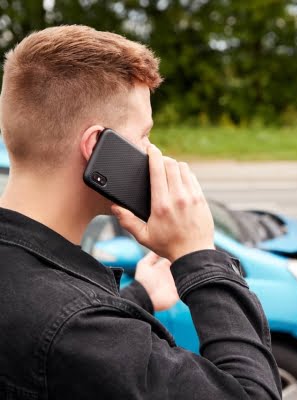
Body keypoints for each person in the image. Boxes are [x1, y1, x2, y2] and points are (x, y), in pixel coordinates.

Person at [0, 25, 282, 399]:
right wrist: (199, 256)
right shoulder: (78, 327)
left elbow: (52, 344)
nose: (152, 152)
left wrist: (140, 297)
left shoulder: (42, 298)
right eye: (143, 135)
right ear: (97, 147)